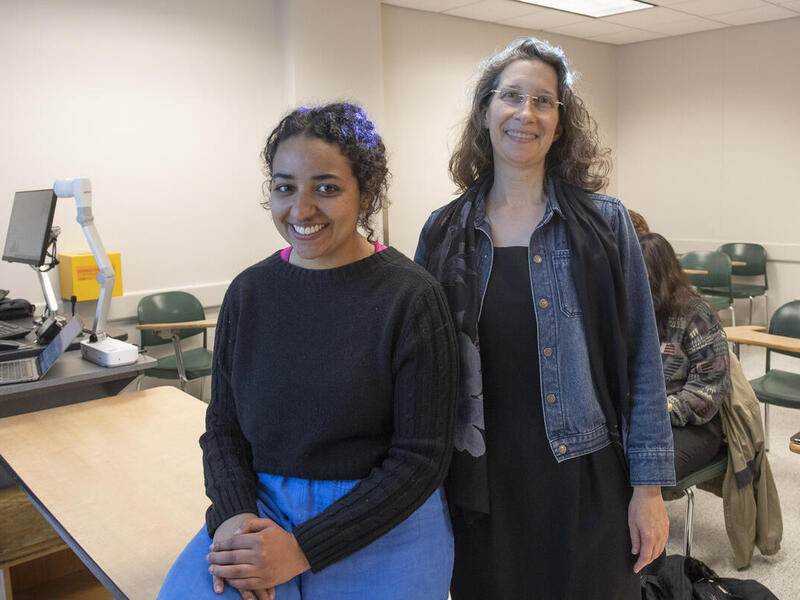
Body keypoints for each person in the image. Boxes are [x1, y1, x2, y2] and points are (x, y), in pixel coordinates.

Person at [158, 103, 458, 600]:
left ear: (366, 193)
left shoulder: (412, 297)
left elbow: (421, 459)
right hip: (263, 508)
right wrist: (234, 519)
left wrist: (300, 550)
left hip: (381, 516)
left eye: (327, 188)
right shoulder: (249, 293)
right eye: (284, 187)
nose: (301, 210)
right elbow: (224, 428)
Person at [415, 38, 675, 599]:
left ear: (560, 122)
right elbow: (420, 372)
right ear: (486, 111)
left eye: (544, 101)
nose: (526, 113)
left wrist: (648, 491)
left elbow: (641, 363)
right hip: (480, 481)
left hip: (583, 474)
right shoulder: (443, 232)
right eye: (511, 96)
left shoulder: (605, 225)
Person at [638, 232, 730, 480]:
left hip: (694, 424)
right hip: (644, 419)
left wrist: (658, 411)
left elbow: (706, 391)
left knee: (646, 466)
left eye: (645, 277)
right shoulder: (633, 312)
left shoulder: (696, 314)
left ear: (663, 277)